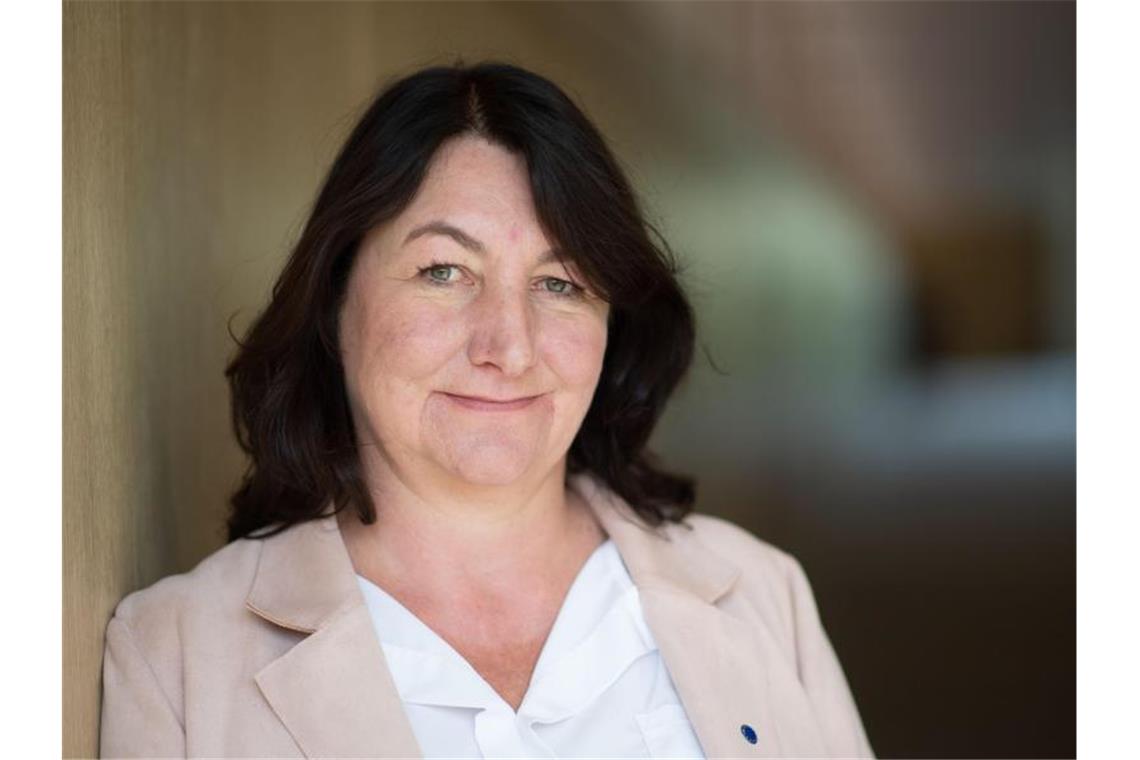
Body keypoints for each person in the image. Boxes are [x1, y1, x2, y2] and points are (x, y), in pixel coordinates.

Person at [99, 60, 875, 759]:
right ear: (334, 298)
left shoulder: (761, 594)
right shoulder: (177, 657)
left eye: (560, 283)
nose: (509, 346)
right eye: (444, 271)